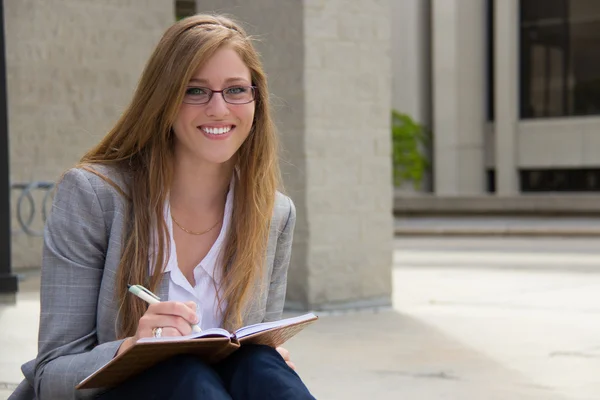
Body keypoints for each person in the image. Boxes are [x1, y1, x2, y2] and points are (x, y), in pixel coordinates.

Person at [10, 13, 315, 400]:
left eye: (236, 90)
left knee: (261, 366)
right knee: (184, 374)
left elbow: (254, 344)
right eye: (195, 90)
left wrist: (268, 359)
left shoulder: (274, 214)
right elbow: (51, 375)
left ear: (257, 100)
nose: (219, 109)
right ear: (164, 100)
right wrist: (131, 348)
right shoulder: (93, 196)